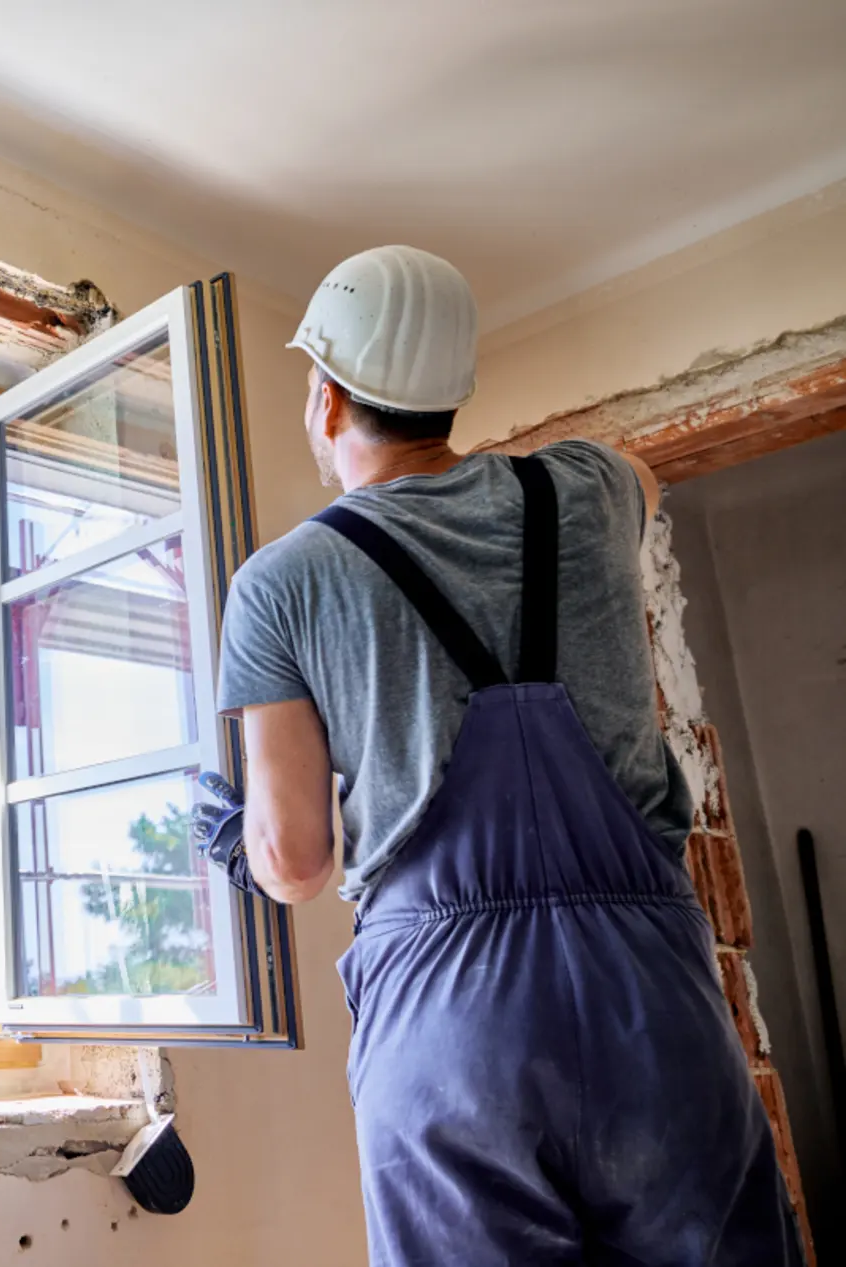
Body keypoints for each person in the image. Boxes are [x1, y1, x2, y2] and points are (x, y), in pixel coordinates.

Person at [198, 245, 802, 1264]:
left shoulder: (280, 581)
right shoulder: (591, 487)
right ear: (453, 393)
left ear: (330, 398)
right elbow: (644, 478)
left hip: (448, 1022)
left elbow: (295, 862)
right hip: (650, 1001)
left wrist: (239, 844)